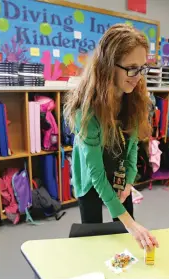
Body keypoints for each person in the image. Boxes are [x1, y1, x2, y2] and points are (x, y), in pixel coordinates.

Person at [64, 24, 158, 250]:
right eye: (132, 68)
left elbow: (133, 146)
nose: (137, 77)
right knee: (93, 236)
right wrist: (131, 224)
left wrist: (128, 181)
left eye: (142, 68)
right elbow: (95, 172)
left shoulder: (134, 99)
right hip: (91, 176)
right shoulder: (86, 109)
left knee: (126, 233)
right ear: (108, 66)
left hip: (118, 169)